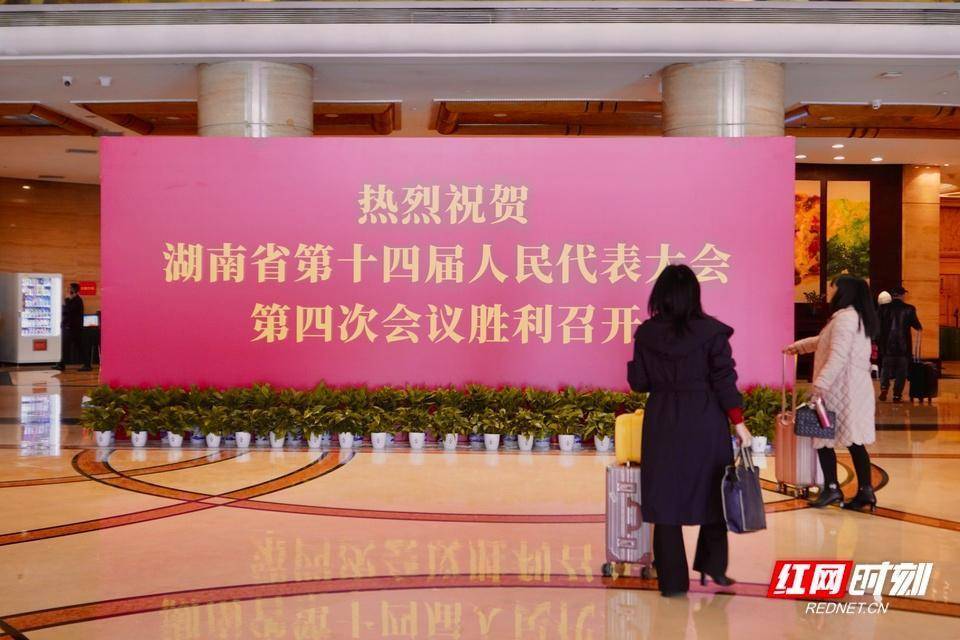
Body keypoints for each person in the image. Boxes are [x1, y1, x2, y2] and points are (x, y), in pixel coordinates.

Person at [627, 264, 752, 597]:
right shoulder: (712, 333)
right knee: (713, 489)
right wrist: (739, 422)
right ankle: (714, 566)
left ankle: (672, 583)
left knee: (665, 499)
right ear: (695, 294)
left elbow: (639, 383)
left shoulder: (646, 334)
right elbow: (724, 380)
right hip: (705, 419)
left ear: (661, 294)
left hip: (663, 421)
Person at [784, 276, 879, 512]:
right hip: (853, 388)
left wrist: (821, 384)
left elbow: (838, 354)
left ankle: (832, 487)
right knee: (854, 440)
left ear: (845, 292)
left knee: (822, 438)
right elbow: (825, 341)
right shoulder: (855, 318)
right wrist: (799, 347)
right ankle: (865, 490)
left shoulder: (845, 318)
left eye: (834, 288)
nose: (831, 292)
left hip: (840, 388)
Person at [877, 286, 922, 402]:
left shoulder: (883, 308)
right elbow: (917, 325)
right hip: (903, 347)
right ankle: (897, 395)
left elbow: (877, 325)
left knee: (885, 368)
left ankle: (884, 387)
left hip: (887, 346)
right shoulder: (909, 309)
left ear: (892, 296)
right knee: (901, 372)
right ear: (902, 295)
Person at [54, 282, 92, 372]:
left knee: (77, 347)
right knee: (68, 346)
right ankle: (62, 364)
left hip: (74, 329)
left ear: (73, 290)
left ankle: (87, 365)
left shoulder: (78, 300)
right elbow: (66, 312)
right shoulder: (73, 300)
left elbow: (70, 310)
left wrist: (67, 300)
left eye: (69, 288)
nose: (67, 290)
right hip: (71, 328)